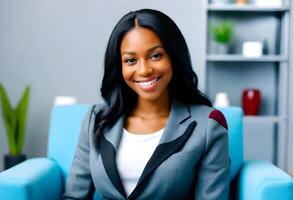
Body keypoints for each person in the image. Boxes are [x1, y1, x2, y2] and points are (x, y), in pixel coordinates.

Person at [63, 9, 230, 200]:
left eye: (156, 56)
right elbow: (74, 197)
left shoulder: (208, 125)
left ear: (174, 57)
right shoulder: (96, 119)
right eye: (131, 60)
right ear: (119, 66)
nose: (144, 70)